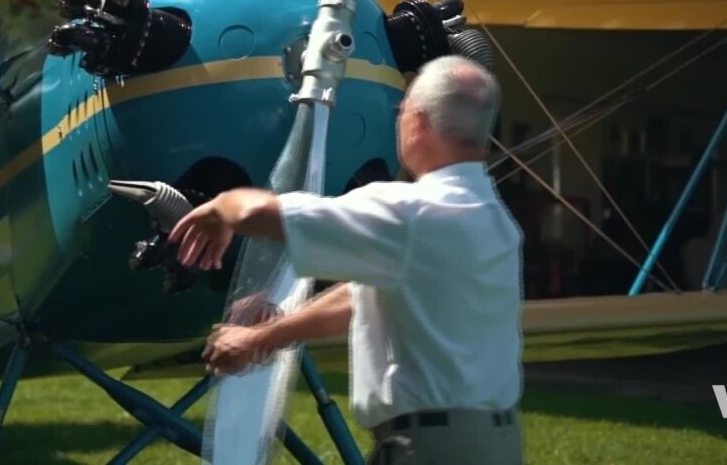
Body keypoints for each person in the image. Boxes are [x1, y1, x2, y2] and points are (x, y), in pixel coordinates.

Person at [168, 55, 524, 464]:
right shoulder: (495, 219)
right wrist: (261, 337)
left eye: (401, 111)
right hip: (497, 444)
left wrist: (219, 206)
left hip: (429, 448)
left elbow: (255, 215)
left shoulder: (407, 211)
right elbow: (364, 295)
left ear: (420, 122)